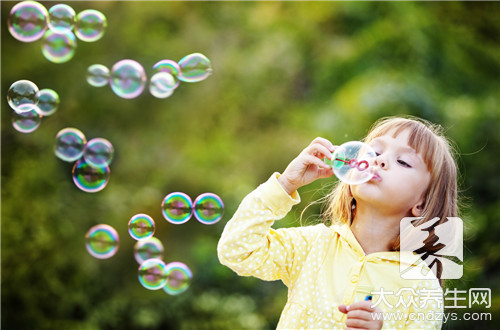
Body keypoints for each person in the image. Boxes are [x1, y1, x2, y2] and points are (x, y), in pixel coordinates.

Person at [218, 116, 459, 329]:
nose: (380, 161)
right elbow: (237, 250)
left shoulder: (420, 285)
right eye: (373, 152)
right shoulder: (313, 246)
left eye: (403, 162)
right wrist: (286, 185)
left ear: (422, 203)